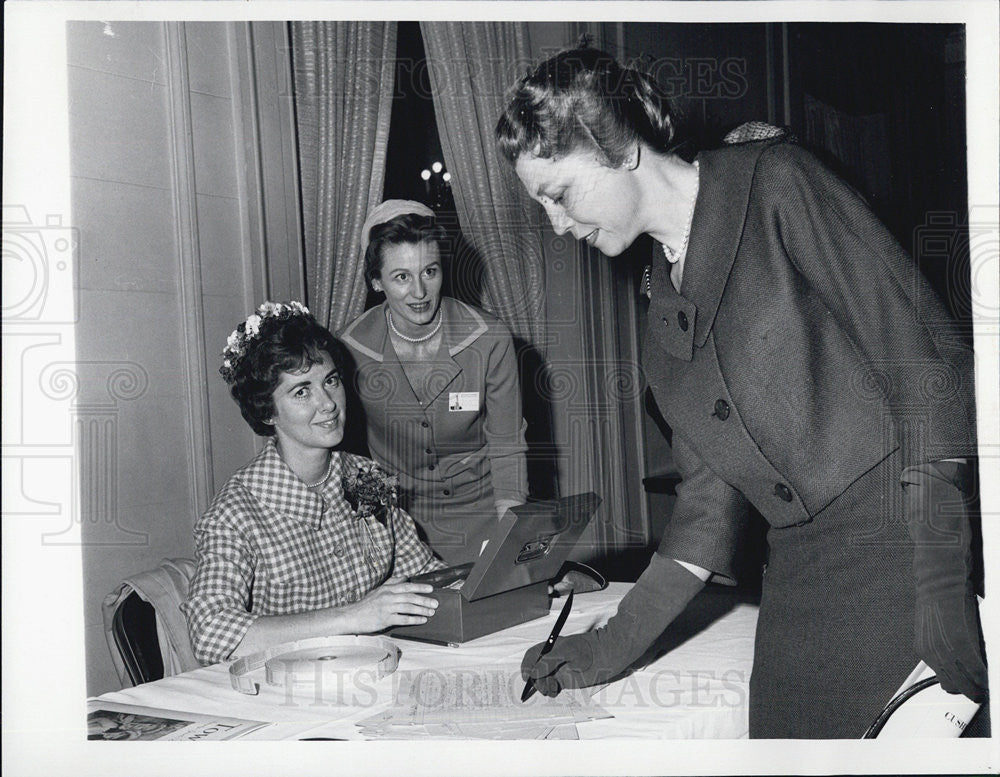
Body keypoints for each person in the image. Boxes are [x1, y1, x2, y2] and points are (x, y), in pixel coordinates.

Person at [495, 46, 986, 738]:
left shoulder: (778, 184)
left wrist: (942, 578)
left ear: (620, 148)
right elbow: (704, 516)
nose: (555, 224)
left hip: (903, 542)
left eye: (559, 193)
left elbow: (930, 361)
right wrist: (607, 646)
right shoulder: (659, 316)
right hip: (796, 574)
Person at [182, 301, 444, 665]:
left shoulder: (366, 477)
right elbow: (211, 634)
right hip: (288, 693)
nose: (328, 404)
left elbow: (422, 575)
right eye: (301, 391)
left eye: (330, 381)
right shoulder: (235, 514)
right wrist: (355, 616)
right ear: (267, 412)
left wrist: (512, 581)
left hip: (372, 671)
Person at [339, 201, 528, 566]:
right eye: (401, 277)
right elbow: (349, 459)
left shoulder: (488, 339)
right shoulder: (350, 349)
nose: (420, 292)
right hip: (397, 524)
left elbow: (507, 447)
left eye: (429, 271)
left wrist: (510, 542)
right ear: (376, 281)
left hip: (486, 513)